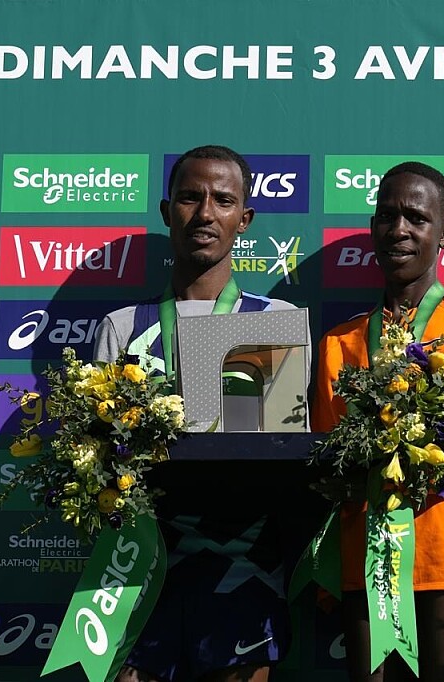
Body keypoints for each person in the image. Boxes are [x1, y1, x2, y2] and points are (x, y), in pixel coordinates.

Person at [93, 145, 307, 682]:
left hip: (246, 570)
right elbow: (98, 466)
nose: (205, 213)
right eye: (190, 197)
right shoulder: (123, 326)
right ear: (167, 211)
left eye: (223, 200)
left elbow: (282, 465)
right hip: (140, 569)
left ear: (245, 219)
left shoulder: (273, 320)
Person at [312, 162, 444, 681]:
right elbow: (328, 459)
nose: (398, 229)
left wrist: (409, 470)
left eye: (416, 218)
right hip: (371, 565)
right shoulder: (339, 343)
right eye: (386, 216)